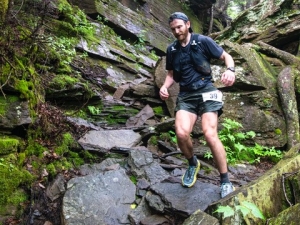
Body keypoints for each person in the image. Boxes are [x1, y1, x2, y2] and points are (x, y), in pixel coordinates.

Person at [159, 12, 236, 198]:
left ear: (187, 24)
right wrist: (164, 86)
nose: (177, 31)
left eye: (179, 27)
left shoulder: (203, 41)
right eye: (173, 29)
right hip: (186, 94)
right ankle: (193, 163)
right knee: (181, 133)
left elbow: (227, 56)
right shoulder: (172, 50)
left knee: (210, 134)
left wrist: (231, 71)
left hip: (207, 90)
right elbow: (171, 75)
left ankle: (225, 180)